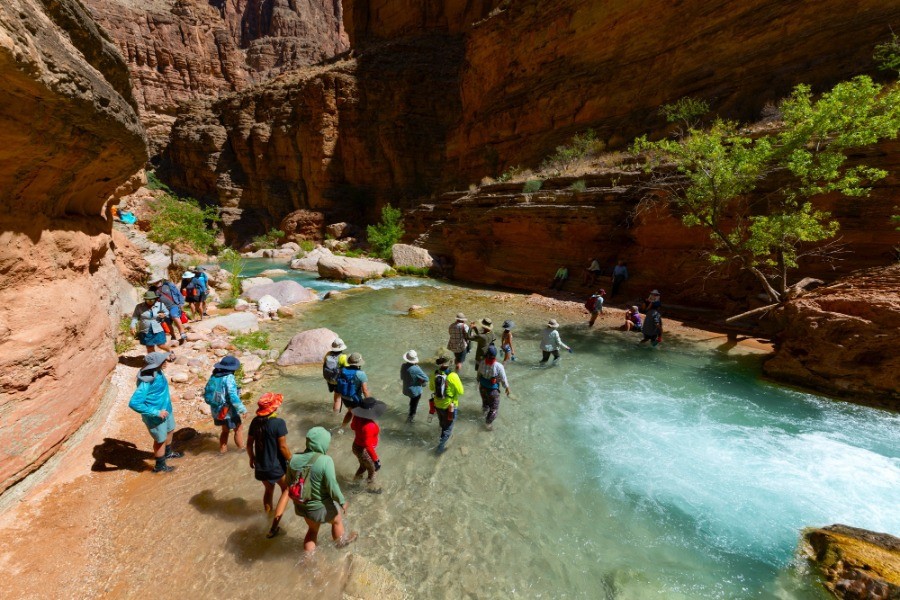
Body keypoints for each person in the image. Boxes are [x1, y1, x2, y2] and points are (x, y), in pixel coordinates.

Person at [287, 427, 357, 552]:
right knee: (337, 520)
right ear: (323, 443)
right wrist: (342, 501)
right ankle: (340, 543)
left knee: (313, 529)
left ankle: (308, 559)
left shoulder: (294, 459)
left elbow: (289, 483)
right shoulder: (325, 460)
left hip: (302, 505)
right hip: (319, 507)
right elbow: (332, 486)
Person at [127, 351, 182, 473]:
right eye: (163, 361)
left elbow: (167, 360)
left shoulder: (156, 370)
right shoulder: (147, 380)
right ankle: (159, 467)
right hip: (156, 416)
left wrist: (171, 356)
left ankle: (168, 454)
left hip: (166, 409)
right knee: (160, 440)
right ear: (155, 365)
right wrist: (156, 412)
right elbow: (134, 403)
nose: (166, 362)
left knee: (170, 430)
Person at [246, 392, 291, 538]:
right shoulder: (278, 423)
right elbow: (283, 448)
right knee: (287, 489)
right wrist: (292, 461)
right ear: (274, 408)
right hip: (275, 467)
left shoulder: (255, 422)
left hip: (261, 467)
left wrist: (252, 458)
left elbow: (249, 444)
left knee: (269, 489)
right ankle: (274, 526)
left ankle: (267, 517)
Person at [203, 355, 248, 453]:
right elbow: (233, 396)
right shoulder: (229, 377)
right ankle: (242, 450)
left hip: (216, 410)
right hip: (227, 411)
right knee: (238, 428)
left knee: (225, 430)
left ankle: (222, 452)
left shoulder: (214, 375)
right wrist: (242, 409)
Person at [430, 351, 464, 453]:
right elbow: (461, 392)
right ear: (450, 362)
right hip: (450, 406)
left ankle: (441, 433)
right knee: (448, 430)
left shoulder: (434, 374)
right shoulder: (453, 376)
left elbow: (431, 388)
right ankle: (439, 448)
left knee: (442, 423)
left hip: (437, 404)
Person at [350, 397, 386, 491]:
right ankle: (370, 488)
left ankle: (355, 482)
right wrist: (376, 460)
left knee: (363, 466)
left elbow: (352, 427)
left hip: (356, 447)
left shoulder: (357, 417)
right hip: (365, 451)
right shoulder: (370, 426)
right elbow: (368, 445)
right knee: (372, 470)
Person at [477, 346, 511, 431]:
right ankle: (488, 423)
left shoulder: (482, 363)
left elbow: (478, 375)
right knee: (494, 409)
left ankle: (483, 414)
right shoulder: (498, 366)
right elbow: (503, 378)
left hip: (482, 388)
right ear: (495, 355)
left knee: (485, 404)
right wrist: (507, 388)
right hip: (492, 391)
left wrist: (478, 381)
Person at [338, 353, 370, 428]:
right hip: (355, 399)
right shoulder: (361, 374)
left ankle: (342, 428)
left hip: (344, 397)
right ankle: (359, 430)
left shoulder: (342, 370)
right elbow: (365, 390)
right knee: (362, 415)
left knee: (350, 412)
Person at [152, 277, 187, 345]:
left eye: (157, 281)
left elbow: (177, 293)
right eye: (155, 282)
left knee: (174, 316)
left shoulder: (168, 285)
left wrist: (181, 303)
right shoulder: (154, 291)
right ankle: (173, 336)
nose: (156, 283)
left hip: (174, 305)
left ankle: (182, 333)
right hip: (163, 309)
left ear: (160, 280)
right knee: (168, 323)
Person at [400, 350, 429, 423]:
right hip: (415, 392)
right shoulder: (416, 368)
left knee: (412, 402)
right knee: (414, 406)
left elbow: (402, 377)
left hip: (406, 389)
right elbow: (426, 379)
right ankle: (410, 419)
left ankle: (410, 410)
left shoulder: (403, 366)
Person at [322, 338, 349, 413]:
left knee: (336, 395)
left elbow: (325, 365)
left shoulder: (328, 354)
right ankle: (335, 415)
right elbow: (347, 370)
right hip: (337, 381)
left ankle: (336, 407)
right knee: (338, 399)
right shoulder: (343, 357)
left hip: (329, 379)